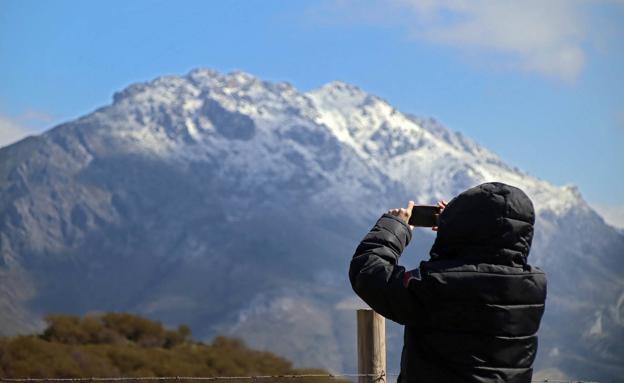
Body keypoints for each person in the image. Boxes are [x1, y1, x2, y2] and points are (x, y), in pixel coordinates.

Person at [349, 182, 547, 383]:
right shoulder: (534, 286)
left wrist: (394, 227)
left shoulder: (437, 284)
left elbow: (368, 273)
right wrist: (457, 225)